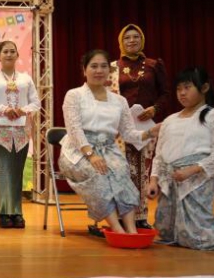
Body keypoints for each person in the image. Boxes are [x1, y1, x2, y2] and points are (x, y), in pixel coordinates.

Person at [147, 67, 214, 249]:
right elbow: (160, 155)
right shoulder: (170, 120)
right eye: (179, 89)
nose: (182, 93)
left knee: (200, 239)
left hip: (197, 180)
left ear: (204, 88)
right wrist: (153, 180)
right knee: (166, 234)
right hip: (170, 181)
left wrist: (192, 170)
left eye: (187, 87)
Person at [59, 50, 159, 234]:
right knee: (98, 175)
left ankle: (131, 230)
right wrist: (91, 155)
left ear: (110, 71)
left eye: (103, 66)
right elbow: (74, 130)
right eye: (94, 66)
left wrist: (150, 132)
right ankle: (117, 229)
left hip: (108, 150)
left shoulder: (119, 101)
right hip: (78, 151)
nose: (99, 71)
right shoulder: (74, 95)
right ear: (84, 70)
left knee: (122, 173)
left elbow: (129, 134)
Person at [109, 24, 170, 229]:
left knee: (143, 170)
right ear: (121, 42)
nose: (132, 40)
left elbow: (166, 94)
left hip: (146, 127)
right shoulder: (112, 67)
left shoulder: (153, 65)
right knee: (121, 171)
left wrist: (154, 109)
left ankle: (141, 216)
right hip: (119, 129)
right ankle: (120, 217)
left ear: (142, 40)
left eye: (136, 37)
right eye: (127, 38)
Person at [0, 41, 40, 229]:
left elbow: (36, 103)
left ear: (17, 55)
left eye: (12, 51)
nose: (9, 54)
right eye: (5, 52)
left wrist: (23, 110)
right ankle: (3, 212)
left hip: (21, 131)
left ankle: (17, 212)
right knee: (2, 171)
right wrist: (4, 109)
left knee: (17, 171)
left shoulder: (26, 79)